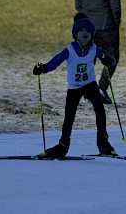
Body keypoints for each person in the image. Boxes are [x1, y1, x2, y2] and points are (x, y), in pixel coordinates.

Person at [33, 12, 117, 158]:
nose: (85, 34)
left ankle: (103, 144)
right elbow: (55, 62)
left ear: (92, 35)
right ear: (75, 34)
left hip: (90, 85)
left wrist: (108, 60)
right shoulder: (70, 49)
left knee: (100, 111)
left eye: (88, 32)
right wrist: (43, 68)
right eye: (81, 31)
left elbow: (111, 59)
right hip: (74, 88)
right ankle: (62, 146)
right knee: (69, 117)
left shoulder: (94, 48)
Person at [75, 0, 121, 104]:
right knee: (111, 58)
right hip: (106, 27)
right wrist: (116, 22)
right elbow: (115, 5)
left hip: (86, 29)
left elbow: (78, 5)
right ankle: (102, 87)